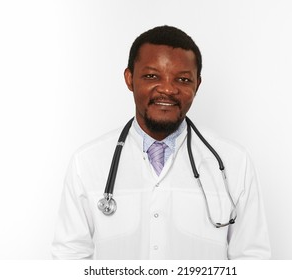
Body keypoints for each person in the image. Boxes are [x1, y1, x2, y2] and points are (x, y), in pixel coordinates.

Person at [52, 25, 271, 260]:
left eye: (183, 79)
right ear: (129, 78)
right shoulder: (87, 163)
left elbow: (251, 260)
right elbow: (69, 259)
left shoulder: (234, 162)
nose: (167, 89)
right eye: (151, 76)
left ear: (197, 85)